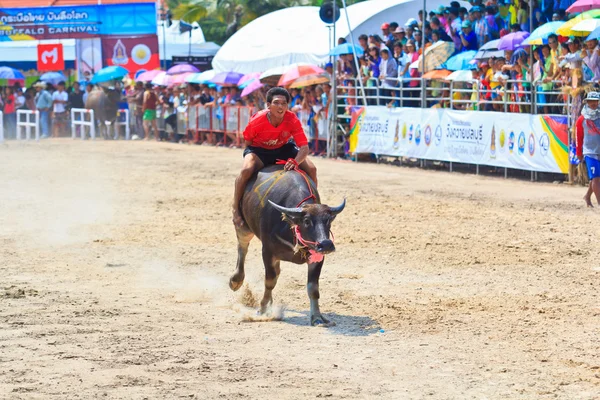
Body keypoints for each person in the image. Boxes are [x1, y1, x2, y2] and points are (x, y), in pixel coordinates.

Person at [231, 87, 317, 228]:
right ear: (268, 105)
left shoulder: (292, 119)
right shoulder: (258, 119)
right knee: (246, 171)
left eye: (284, 103)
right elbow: (248, 141)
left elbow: (304, 148)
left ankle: (312, 206)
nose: (280, 106)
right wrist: (254, 155)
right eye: (276, 103)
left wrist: (296, 161)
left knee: (312, 169)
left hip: (283, 148)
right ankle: (235, 208)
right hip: (259, 150)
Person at [576, 92, 600, 207]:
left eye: (595, 101)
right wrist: (579, 153)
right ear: (587, 102)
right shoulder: (581, 119)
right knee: (596, 179)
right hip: (590, 152)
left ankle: (587, 196)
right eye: (591, 101)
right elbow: (578, 137)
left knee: (597, 178)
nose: (594, 103)